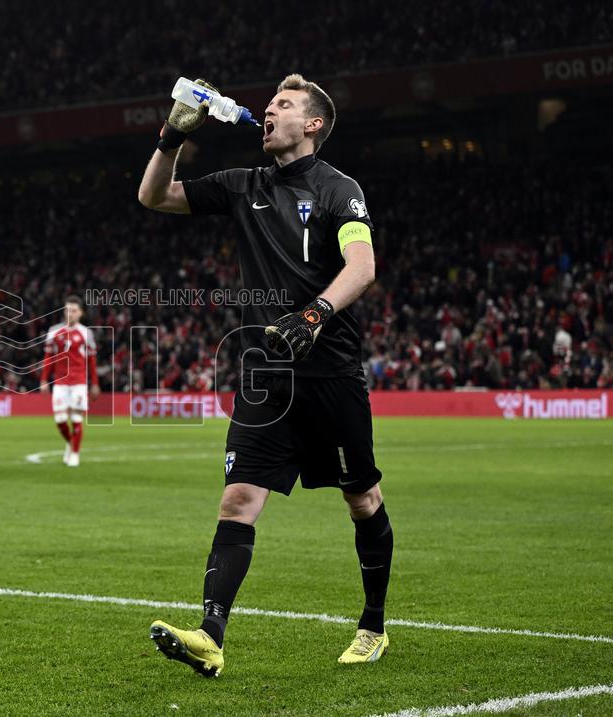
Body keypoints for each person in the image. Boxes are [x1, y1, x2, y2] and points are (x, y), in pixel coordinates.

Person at [138, 75, 392, 675]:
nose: (269, 112)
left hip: (329, 373)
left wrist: (316, 314)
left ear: (312, 126)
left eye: (283, 105)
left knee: (362, 499)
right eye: (270, 105)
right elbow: (153, 196)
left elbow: (363, 265)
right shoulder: (241, 185)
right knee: (237, 501)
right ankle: (210, 637)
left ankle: (373, 625)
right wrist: (172, 135)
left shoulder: (339, 190)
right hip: (264, 374)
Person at [39, 296, 101, 467]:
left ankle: (74, 453)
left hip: (79, 382)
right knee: (60, 420)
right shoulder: (54, 331)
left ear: (80, 313)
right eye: (67, 310)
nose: (70, 314)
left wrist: (94, 383)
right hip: (60, 382)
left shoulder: (85, 333)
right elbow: (48, 358)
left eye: (74, 311)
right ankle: (70, 442)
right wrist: (44, 379)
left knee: (76, 418)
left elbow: (92, 361)